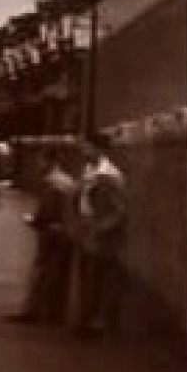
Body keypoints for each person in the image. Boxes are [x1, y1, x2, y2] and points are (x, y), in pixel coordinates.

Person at [10, 146, 78, 324]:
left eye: (41, 160)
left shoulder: (51, 182)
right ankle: (55, 313)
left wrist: (33, 220)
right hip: (65, 231)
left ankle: (33, 311)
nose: (38, 164)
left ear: (49, 161)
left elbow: (46, 211)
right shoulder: (68, 181)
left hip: (50, 231)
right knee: (58, 274)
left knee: (41, 271)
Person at [74, 131, 130, 337]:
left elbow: (119, 210)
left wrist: (100, 228)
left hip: (102, 233)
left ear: (99, 149)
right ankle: (87, 319)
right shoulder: (89, 170)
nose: (83, 150)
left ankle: (99, 322)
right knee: (89, 276)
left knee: (101, 277)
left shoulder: (110, 175)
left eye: (87, 147)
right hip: (88, 228)